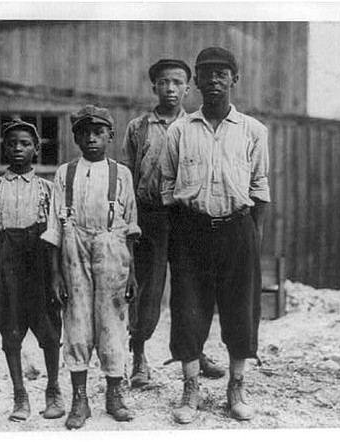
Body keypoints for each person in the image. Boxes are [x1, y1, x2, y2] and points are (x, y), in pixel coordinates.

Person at [160, 47, 270, 424]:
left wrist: (253, 238)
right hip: (191, 231)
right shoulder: (179, 130)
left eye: (221, 73)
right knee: (188, 311)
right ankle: (190, 391)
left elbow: (260, 187)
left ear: (233, 79)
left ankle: (236, 387)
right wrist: (179, 237)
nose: (213, 80)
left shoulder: (254, 131)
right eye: (205, 73)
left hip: (237, 229)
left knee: (241, 311)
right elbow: (166, 186)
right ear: (197, 80)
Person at [121, 58, 225, 388]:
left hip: (186, 218)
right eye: (164, 82)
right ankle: (139, 357)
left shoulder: (197, 125)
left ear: (188, 87)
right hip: (149, 216)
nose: (170, 89)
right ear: (154, 87)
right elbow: (127, 176)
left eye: (177, 83)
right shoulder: (139, 127)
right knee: (148, 289)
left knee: (191, 288)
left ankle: (195, 352)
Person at [43, 105, 140, 430]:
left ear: (110, 136)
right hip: (74, 248)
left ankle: (114, 395)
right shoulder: (64, 173)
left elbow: (130, 227)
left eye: (98, 132)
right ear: (76, 138)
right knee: (77, 321)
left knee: (112, 322)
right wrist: (56, 274)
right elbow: (55, 228)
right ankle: (79, 399)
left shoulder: (121, 174)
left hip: (112, 247)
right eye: (84, 132)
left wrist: (133, 273)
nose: (91, 138)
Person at [0, 119, 64, 422]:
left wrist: (57, 276)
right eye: (12, 144)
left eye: (25, 143)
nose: (18, 149)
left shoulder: (48, 189)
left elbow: (56, 235)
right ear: (4, 148)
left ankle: (53, 389)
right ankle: (19, 395)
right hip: (7, 264)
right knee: (10, 330)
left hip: (40, 262)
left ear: (36, 149)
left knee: (49, 329)